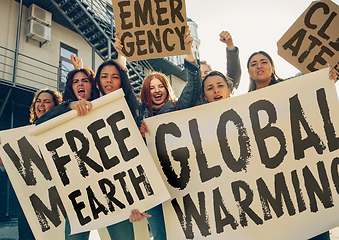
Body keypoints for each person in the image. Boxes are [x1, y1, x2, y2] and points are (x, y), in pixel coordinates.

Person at [36, 59, 139, 240]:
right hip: (81, 195)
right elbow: (40, 122)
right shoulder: (64, 112)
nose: (80, 84)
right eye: (75, 82)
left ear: (94, 85)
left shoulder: (105, 105)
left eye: (84, 81)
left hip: (114, 190)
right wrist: (70, 105)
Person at [118, 26, 200, 240]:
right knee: (160, 235)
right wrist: (121, 57)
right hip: (153, 187)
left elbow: (192, 89)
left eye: (160, 86)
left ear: (167, 89)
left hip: (182, 181)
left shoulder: (178, 108)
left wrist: (189, 53)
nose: (156, 90)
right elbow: (124, 92)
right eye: (151, 87)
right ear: (146, 92)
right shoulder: (139, 115)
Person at [247, 50, 336, 240]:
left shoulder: (289, 86)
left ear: (272, 67)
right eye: (254, 64)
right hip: (271, 179)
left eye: (264, 61)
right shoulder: (241, 104)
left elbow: (311, 79)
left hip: (300, 169)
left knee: (313, 220)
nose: (259, 66)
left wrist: (326, 75)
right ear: (248, 71)